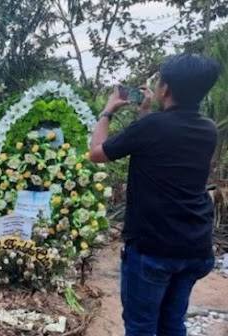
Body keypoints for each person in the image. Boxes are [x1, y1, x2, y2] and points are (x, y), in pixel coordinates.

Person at [88, 53, 221, 335]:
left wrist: (108, 110)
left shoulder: (150, 127)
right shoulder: (208, 130)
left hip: (154, 247)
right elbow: (167, 147)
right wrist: (145, 115)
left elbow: (96, 153)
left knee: (141, 327)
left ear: (165, 89)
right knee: (172, 324)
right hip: (194, 246)